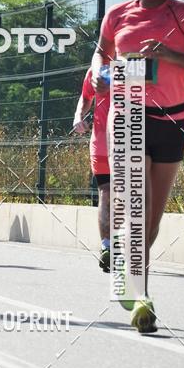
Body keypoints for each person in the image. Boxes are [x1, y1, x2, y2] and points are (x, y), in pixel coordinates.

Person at [92, 0, 184, 333]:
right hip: (127, 114)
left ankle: (129, 274)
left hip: (172, 119)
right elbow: (100, 53)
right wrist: (99, 72)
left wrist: (170, 56)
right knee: (135, 202)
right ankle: (138, 296)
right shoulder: (118, 15)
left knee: (152, 217)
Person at [72, 64, 111, 271]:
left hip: (135, 142)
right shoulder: (98, 68)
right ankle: (107, 248)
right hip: (102, 142)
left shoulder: (141, 65)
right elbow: (86, 96)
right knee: (106, 191)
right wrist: (78, 117)